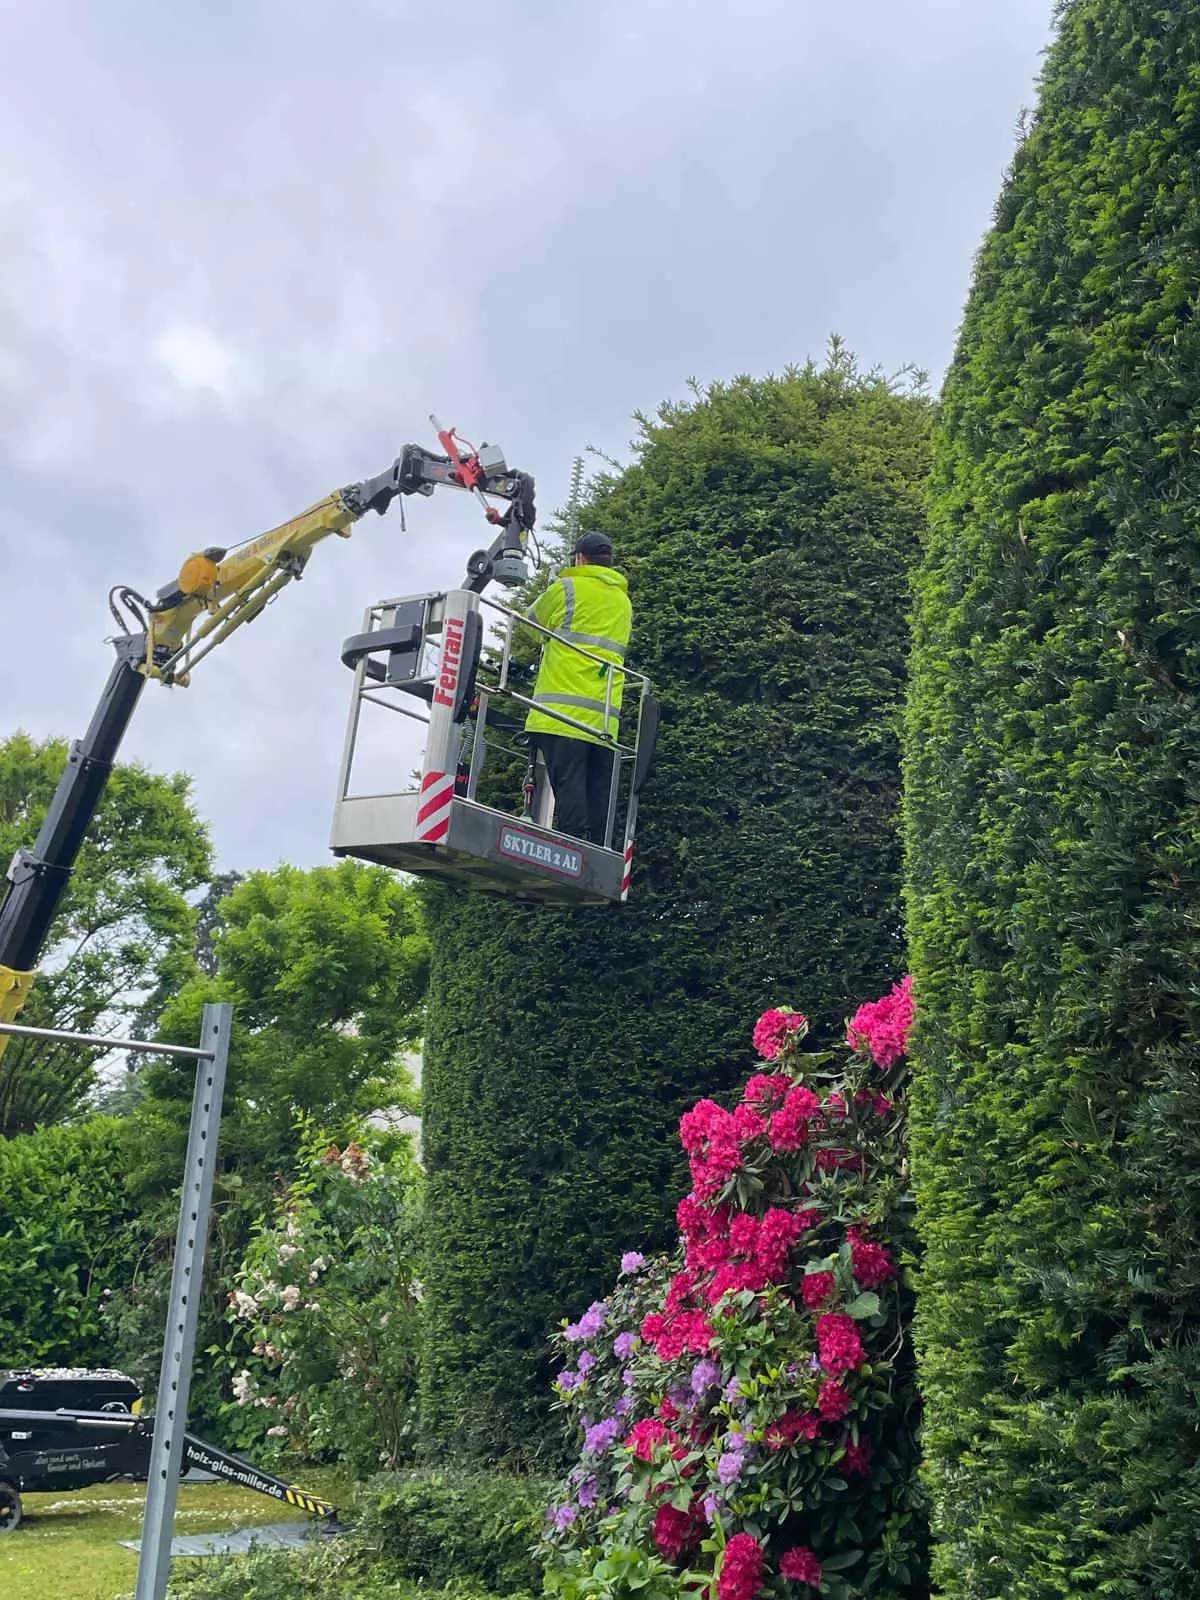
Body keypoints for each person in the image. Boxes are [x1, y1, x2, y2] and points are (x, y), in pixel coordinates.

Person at [523, 530, 633, 844]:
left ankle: (571, 846)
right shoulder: (623, 601)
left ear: (579, 558)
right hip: (603, 718)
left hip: (560, 711)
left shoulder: (567, 587)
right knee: (597, 790)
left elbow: (531, 625)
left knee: (568, 783)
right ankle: (597, 848)